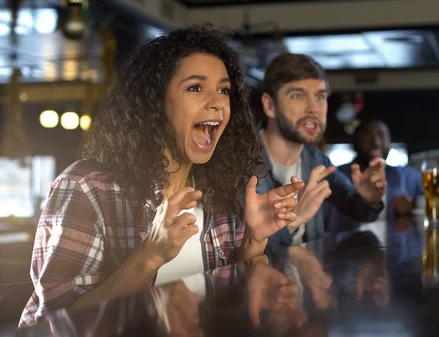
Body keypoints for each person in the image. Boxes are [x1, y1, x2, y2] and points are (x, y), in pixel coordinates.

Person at [19, 25, 304, 327]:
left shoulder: (222, 190)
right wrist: (150, 256)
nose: (217, 102)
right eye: (195, 87)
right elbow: (55, 325)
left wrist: (253, 242)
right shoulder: (86, 187)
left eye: (224, 90)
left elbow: (228, 307)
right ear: (154, 102)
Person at [256, 53, 386, 253]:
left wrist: (369, 199)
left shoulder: (315, 158)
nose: (313, 108)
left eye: (320, 96)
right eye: (297, 95)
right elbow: (231, 255)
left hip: (308, 282)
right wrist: (294, 220)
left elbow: (356, 208)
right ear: (270, 105)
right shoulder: (239, 163)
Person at [325, 119, 423, 234]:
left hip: (393, 248)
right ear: (355, 143)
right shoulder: (335, 176)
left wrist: (414, 206)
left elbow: (436, 204)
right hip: (345, 248)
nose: (376, 142)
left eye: (381, 135)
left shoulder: (409, 176)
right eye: (368, 135)